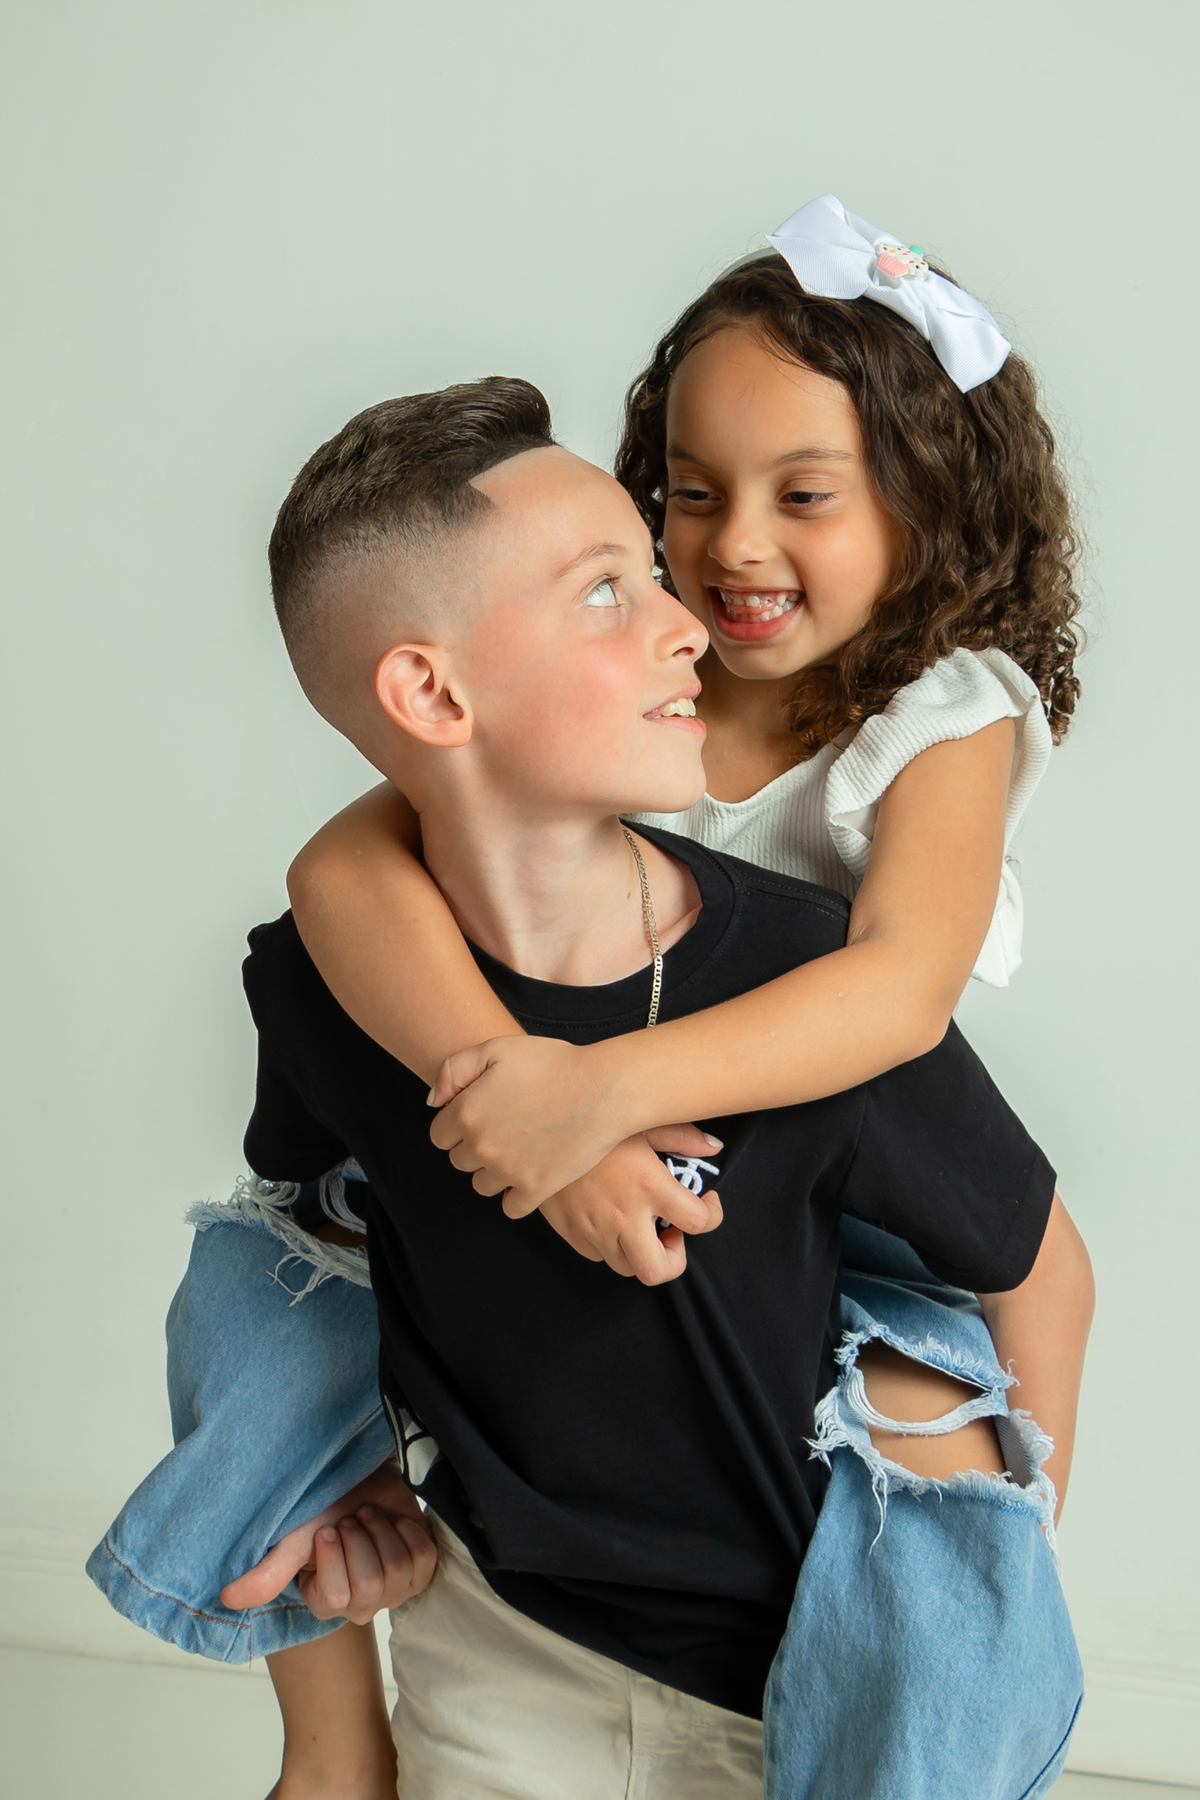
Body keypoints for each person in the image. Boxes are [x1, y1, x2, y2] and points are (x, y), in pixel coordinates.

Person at [88, 196, 1092, 1798]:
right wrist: (513, 1090)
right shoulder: (626, 695)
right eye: (687, 496)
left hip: (854, 1203)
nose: (728, 553)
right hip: (582, 1181)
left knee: (932, 1465)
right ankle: (328, 1747)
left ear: (928, 509)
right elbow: (343, 866)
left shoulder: (932, 719)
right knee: (281, 1269)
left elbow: (899, 995)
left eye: (804, 495)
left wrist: (592, 1102)